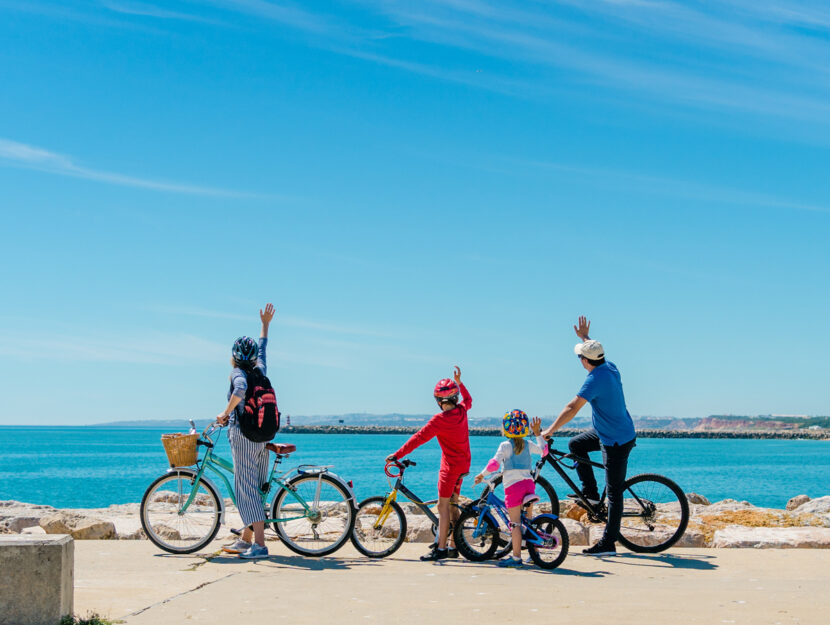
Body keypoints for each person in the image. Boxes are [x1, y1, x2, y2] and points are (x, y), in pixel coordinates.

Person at [541, 316, 636, 556]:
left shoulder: (595, 379)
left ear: (585, 361)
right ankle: (592, 496)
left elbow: (572, 408)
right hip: (609, 430)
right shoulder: (609, 366)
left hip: (616, 440)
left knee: (614, 493)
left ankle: (608, 543)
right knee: (575, 444)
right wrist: (585, 337)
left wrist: (549, 431)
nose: (579, 361)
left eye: (580, 357)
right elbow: (597, 352)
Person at [386, 366, 471, 562]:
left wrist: (397, 455)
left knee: (442, 506)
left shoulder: (439, 420)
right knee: (453, 505)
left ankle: (440, 548)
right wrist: (460, 383)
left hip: (449, 468)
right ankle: (453, 544)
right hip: (464, 464)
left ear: (438, 400)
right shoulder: (462, 411)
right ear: (455, 398)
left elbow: (418, 438)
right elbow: (469, 400)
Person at [217, 303, 276, 560]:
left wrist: (226, 412)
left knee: (247, 489)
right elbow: (263, 348)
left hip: (244, 437)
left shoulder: (237, 372)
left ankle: (260, 546)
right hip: (263, 436)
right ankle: (247, 539)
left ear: (233, 355)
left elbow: (240, 391)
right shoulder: (259, 368)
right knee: (258, 487)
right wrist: (264, 325)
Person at [474, 410, 547, 568]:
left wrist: (481, 475)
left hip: (514, 488)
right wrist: (537, 434)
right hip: (529, 485)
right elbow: (544, 451)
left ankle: (516, 558)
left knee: (515, 524)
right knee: (528, 522)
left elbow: (494, 464)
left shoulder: (505, 445)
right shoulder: (528, 444)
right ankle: (535, 554)